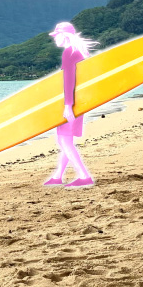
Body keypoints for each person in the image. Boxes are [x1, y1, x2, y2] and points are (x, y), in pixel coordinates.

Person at [43, 22, 99, 188]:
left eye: (57, 35)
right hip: (79, 102)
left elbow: (69, 80)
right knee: (64, 140)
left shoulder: (69, 52)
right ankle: (58, 175)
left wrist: (67, 105)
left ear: (64, 35)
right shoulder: (81, 52)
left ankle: (84, 176)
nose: (55, 39)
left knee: (65, 141)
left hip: (72, 103)